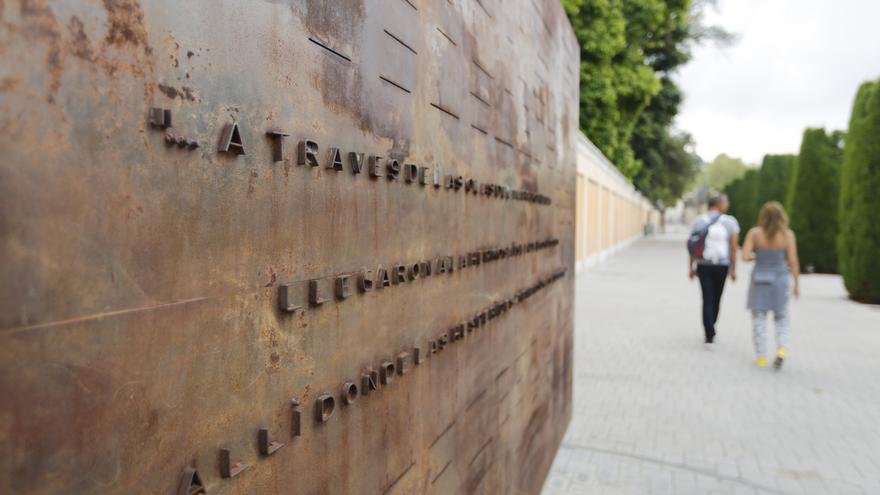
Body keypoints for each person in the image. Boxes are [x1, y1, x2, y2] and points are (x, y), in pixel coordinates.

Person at [741, 201, 800, 369]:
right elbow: (793, 262)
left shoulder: (755, 234)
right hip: (780, 280)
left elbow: (744, 257)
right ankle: (781, 348)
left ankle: (761, 357)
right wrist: (796, 284)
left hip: (760, 279)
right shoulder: (788, 235)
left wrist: (758, 256)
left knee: (759, 319)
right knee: (782, 317)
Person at [689, 193, 740, 349]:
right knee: (717, 298)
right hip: (722, 266)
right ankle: (712, 328)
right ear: (719, 204)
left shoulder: (698, 221)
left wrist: (691, 267)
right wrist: (734, 269)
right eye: (726, 202)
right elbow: (733, 248)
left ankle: (708, 334)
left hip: (703, 265)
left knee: (707, 298)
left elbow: (693, 246)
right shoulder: (730, 222)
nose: (727, 205)